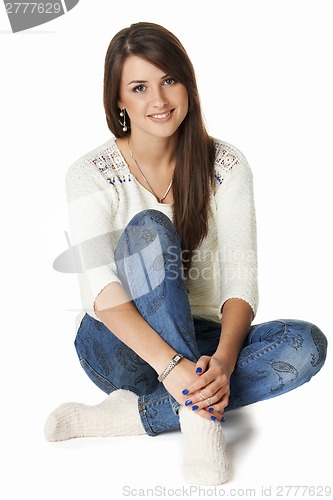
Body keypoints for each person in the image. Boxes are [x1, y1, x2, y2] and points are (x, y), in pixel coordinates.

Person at [44, 22, 327, 485]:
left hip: (205, 344)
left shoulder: (227, 165)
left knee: (306, 345)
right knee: (150, 230)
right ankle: (199, 418)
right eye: (139, 87)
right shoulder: (90, 173)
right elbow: (101, 290)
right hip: (121, 347)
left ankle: (130, 418)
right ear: (119, 100)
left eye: (169, 81)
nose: (158, 100)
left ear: (188, 85)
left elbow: (240, 279)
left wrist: (225, 362)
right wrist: (171, 367)